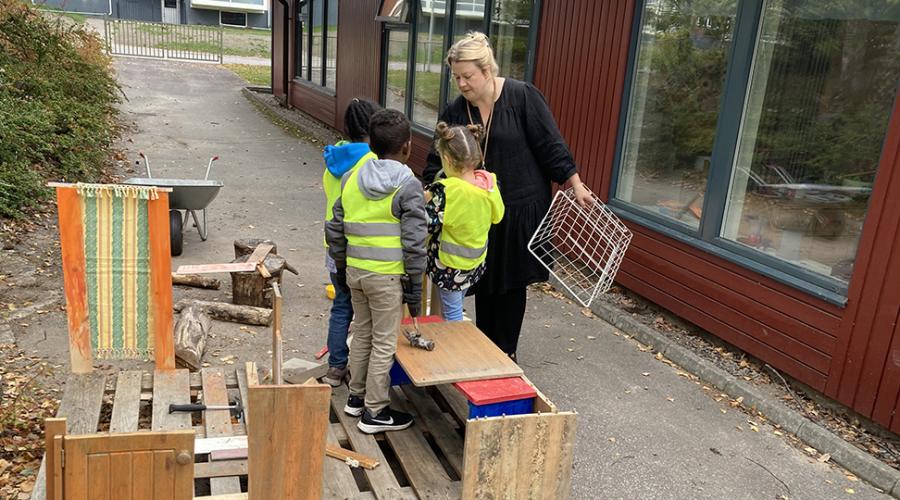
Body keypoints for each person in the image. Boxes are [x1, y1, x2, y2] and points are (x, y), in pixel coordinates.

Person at [423, 32, 592, 360]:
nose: (462, 83)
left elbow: (550, 143)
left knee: (512, 282)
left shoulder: (522, 96)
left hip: (521, 208)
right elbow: (436, 160)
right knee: (485, 281)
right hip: (477, 212)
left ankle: (506, 352)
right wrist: (434, 191)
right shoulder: (456, 110)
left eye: (467, 76)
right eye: (456, 76)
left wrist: (574, 182)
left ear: (487, 71)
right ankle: (486, 349)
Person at [325, 108, 427, 433]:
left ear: (372, 145)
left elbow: (335, 227)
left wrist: (341, 267)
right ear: (408, 146)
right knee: (384, 341)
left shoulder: (351, 179)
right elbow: (414, 243)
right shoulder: (408, 185)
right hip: (386, 278)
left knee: (363, 334)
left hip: (355, 271)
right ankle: (376, 411)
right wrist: (414, 284)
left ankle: (355, 398)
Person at [321, 98, 382, 387]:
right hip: (356, 244)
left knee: (342, 305)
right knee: (365, 310)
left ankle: (335, 368)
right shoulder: (369, 161)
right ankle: (363, 372)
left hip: (330, 245)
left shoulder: (334, 156)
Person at [425, 121, 504, 321]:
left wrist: (425, 200)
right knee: (456, 304)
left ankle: (456, 347)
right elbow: (498, 216)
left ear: (447, 160)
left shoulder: (448, 192)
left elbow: (428, 223)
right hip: (475, 263)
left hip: (449, 267)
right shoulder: (489, 184)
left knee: (452, 315)